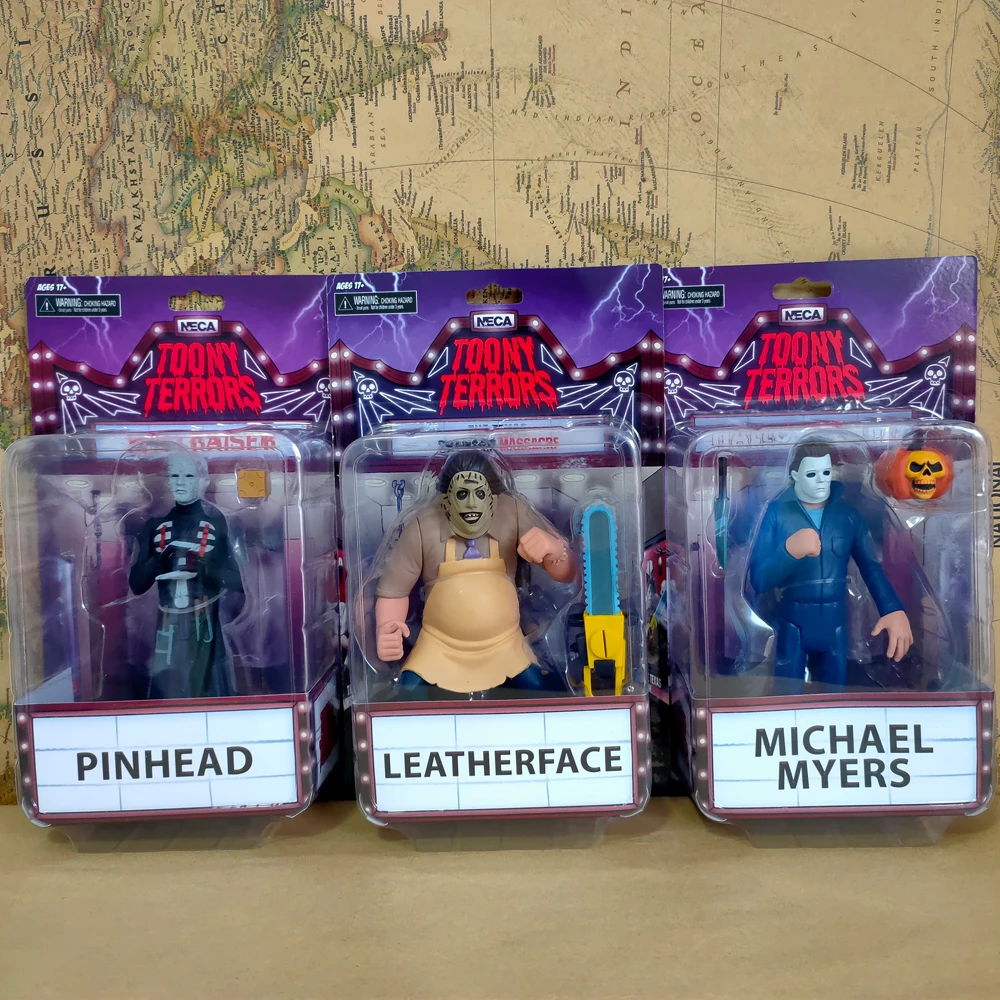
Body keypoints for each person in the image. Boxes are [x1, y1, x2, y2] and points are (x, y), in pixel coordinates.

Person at [374, 450, 577, 693]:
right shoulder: (422, 525)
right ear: (446, 501)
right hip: (438, 648)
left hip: (506, 647)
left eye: (480, 494)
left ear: (493, 499)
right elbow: (394, 591)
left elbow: (567, 575)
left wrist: (554, 550)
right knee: (408, 694)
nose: (471, 503)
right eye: (462, 494)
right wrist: (387, 628)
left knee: (543, 690)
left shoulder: (513, 512)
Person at [747, 441, 913, 688]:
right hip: (792, 621)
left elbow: (871, 568)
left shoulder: (848, 516)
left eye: (825, 472)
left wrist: (893, 609)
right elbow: (759, 580)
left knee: (835, 693)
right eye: (811, 474)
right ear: (795, 475)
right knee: (787, 692)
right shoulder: (776, 514)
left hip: (835, 623)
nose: (821, 481)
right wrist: (789, 551)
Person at [129, 452, 243, 698]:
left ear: (204, 481)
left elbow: (239, 581)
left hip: (207, 625)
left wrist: (204, 567)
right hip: (167, 628)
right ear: (167, 481)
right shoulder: (153, 526)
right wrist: (159, 561)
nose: (180, 482)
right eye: (174, 476)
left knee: (212, 692)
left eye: (189, 476)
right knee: (167, 694)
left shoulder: (219, 523)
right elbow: (137, 585)